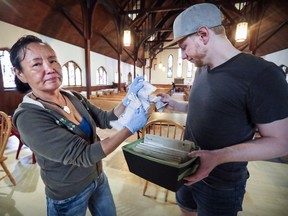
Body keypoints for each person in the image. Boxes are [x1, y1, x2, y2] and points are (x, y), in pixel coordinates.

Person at [158, 3, 288, 216]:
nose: (182, 55)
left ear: (203, 35)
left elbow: (282, 143)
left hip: (221, 185)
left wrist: (217, 156)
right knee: (185, 210)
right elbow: (211, 109)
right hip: (186, 170)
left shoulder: (262, 74)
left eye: (183, 47)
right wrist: (177, 105)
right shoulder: (202, 69)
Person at [10, 35, 147, 216]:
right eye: (36, 64)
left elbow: (105, 119)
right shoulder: (29, 116)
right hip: (68, 193)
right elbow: (84, 155)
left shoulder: (73, 96)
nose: (50, 68)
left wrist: (128, 99)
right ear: (20, 73)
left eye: (53, 60)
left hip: (97, 177)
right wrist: (129, 129)